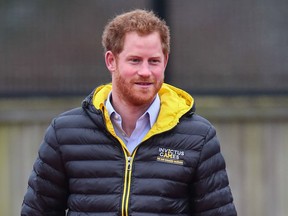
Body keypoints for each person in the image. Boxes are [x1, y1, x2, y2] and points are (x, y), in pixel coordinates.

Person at [21, 9, 237, 216]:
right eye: (135, 60)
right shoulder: (64, 133)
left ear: (165, 61)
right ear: (111, 61)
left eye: (154, 61)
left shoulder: (198, 137)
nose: (145, 72)